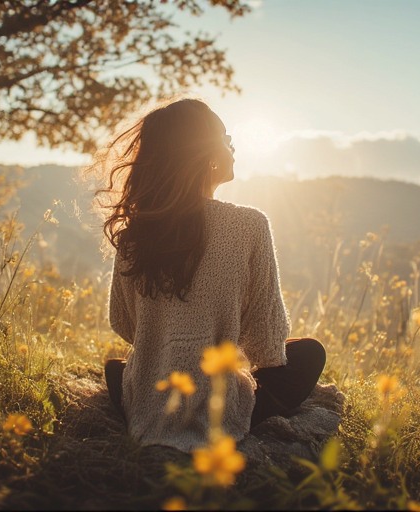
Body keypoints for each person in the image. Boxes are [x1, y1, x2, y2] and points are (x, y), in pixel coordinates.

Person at [101, 99, 325, 452]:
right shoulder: (249, 225)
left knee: (118, 370)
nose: (232, 144)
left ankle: (149, 406)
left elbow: (123, 323)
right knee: (310, 354)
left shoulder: (135, 234)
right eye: (224, 136)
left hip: (152, 399)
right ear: (203, 153)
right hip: (217, 407)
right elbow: (266, 343)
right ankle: (219, 417)